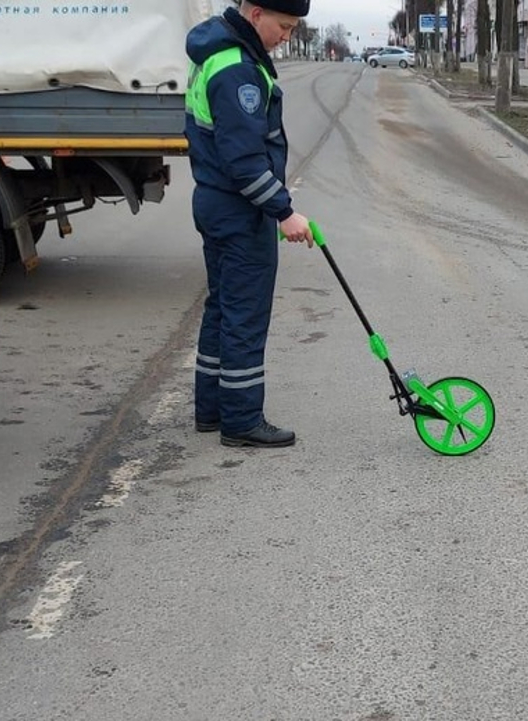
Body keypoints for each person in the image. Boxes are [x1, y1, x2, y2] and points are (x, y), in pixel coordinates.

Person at [184, 0, 314, 448]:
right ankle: (241, 420)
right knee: (244, 315)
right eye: (284, 26)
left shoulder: (219, 53)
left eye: (294, 29)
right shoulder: (237, 68)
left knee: (221, 306)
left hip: (216, 203)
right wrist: (284, 211)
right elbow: (243, 162)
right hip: (238, 209)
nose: (287, 37)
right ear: (255, 13)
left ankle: (212, 409)